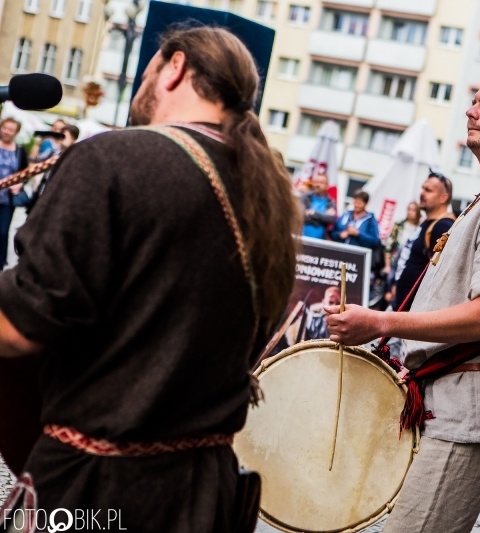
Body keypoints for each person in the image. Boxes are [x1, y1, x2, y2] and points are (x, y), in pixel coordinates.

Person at [0, 26, 298, 532]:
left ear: (175, 67)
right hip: (202, 489)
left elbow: (20, 328)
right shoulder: (266, 192)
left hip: (96, 493)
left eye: (147, 73)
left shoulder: (112, 159)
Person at [326, 70, 480, 533]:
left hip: (464, 411)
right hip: (446, 401)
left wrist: (380, 322)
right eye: (475, 101)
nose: (471, 111)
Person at [393, 174, 454, 309]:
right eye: (422, 188)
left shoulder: (443, 227)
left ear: (444, 197)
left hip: (414, 310)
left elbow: (441, 275)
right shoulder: (427, 223)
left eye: (428, 190)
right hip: (403, 304)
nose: (422, 193)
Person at [20, 123, 81, 213]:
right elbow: (36, 161)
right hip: (42, 192)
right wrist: (39, 143)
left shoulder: (75, 155)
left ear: (73, 138)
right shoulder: (54, 151)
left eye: (65, 135)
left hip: (58, 197)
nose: (61, 137)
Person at [0, 118, 29, 269]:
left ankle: (0, 264)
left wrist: (19, 184)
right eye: (5, 128)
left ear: (16, 132)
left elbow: (25, 173)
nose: (6, 132)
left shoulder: (19, 151)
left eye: (11, 129)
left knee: (3, 232)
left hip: (7, 199)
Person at [383, 201, 421, 299]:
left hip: (408, 263)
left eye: (413, 210)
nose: (410, 212)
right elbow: (389, 245)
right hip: (394, 262)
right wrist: (387, 265)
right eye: (409, 209)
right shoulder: (399, 225)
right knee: (388, 291)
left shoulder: (419, 228)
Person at [301, 171, 336, 239]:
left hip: (320, 241)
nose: (317, 185)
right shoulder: (305, 197)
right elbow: (301, 215)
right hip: (301, 238)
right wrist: (322, 218)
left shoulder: (330, 202)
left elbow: (331, 219)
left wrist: (313, 214)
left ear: (327, 186)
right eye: (316, 182)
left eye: (321, 182)